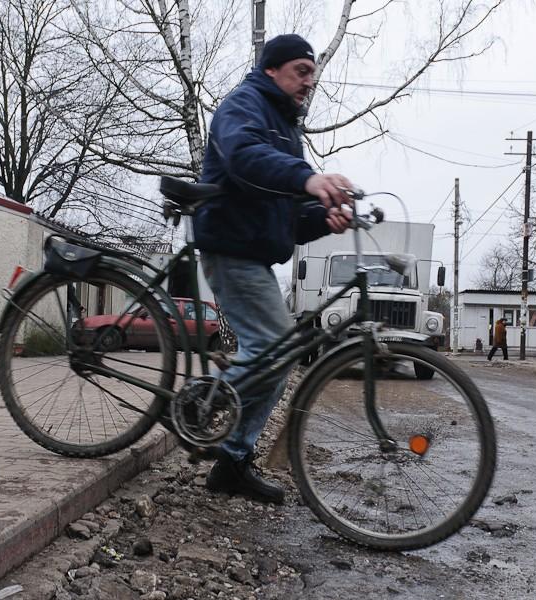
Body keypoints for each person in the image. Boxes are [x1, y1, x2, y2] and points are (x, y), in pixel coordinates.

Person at [192, 34, 354, 504]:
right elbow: (245, 159)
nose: (309, 81)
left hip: (254, 252)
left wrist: (324, 218)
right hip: (228, 244)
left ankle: (232, 464)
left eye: (312, 72)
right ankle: (205, 404)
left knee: (278, 360)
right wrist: (309, 177)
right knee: (273, 349)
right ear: (272, 71)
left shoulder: (286, 128)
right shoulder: (243, 105)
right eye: (301, 70)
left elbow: (284, 215)